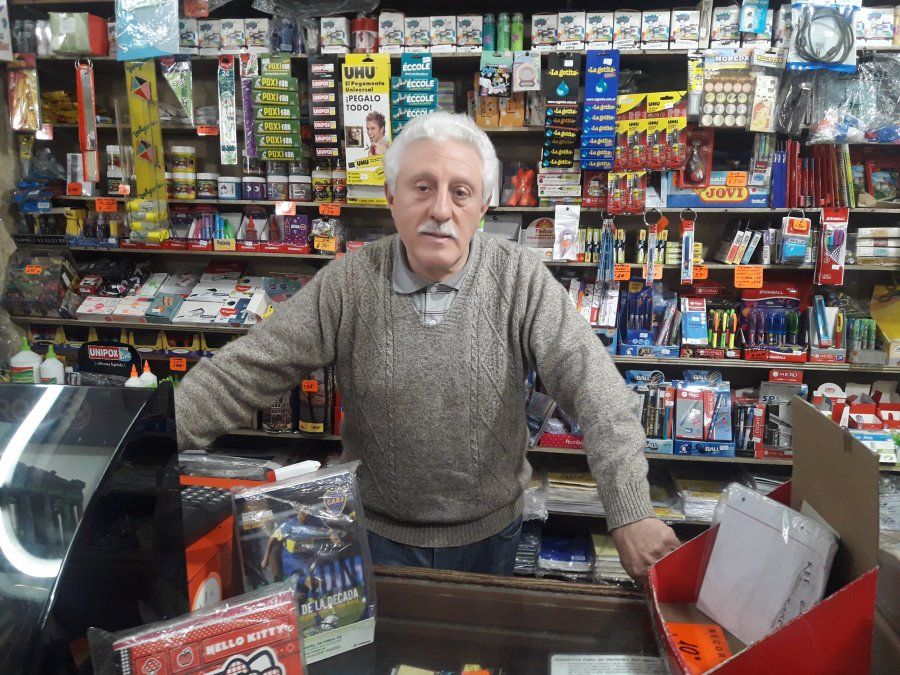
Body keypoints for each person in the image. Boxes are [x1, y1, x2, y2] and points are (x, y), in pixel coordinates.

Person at [176, 111, 680, 581]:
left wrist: (630, 508)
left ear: (483, 206)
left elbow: (600, 396)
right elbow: (241, 373)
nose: (441, 209)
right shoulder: (347, 283)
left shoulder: (520, 278)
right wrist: (142, 437)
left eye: (461, 192)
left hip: (491, 538)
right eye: (422, 187)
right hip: (375, 535)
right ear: (392, 197)